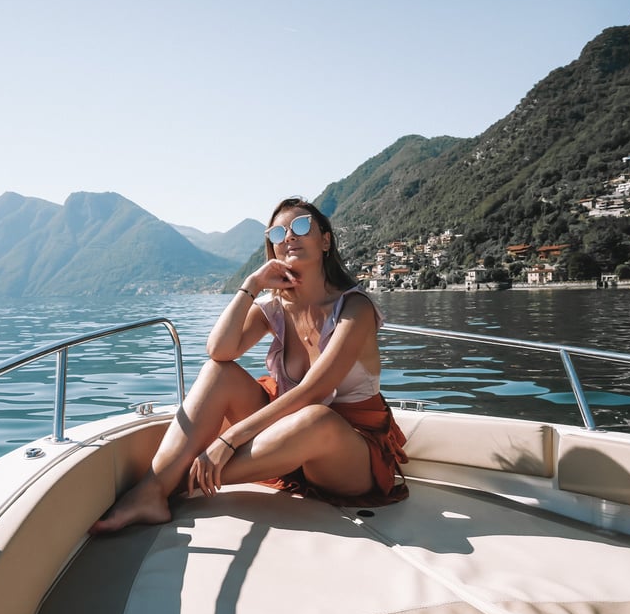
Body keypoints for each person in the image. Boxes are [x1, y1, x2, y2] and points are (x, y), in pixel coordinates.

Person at [90, 197, 407, 533]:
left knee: (317, 419)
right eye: (277, 233)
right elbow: (218, 350)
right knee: (218, 372)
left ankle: (176, 483)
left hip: (348, 454)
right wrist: (252, 285)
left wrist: (229, 440)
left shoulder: (355, 308)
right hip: (286, 443)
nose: (289, 237)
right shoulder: (275, 306)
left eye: (301, 226)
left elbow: (316, 390)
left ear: (325, 240)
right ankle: (152, 491)